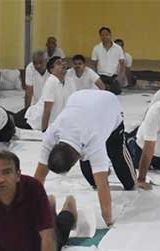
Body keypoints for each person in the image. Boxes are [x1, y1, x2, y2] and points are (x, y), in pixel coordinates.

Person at [34, 90, 137, 226]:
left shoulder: (94, 140)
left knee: (122, 166)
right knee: (92, 179)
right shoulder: (52, 133)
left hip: (109, 104)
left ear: (76, 160)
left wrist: (108, 220)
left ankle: (129, 152)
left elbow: (103, 185)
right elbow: (39, 176)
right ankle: (103, 168)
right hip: (80, 99)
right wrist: (31, 208)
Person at [21, 57, 76, 132]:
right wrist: (44, 131)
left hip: (54, 121)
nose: (63, 64)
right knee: (9, 121)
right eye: (58, 63)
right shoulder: (51, 82)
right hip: (34, 119)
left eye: (63, 62)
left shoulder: (70, 81)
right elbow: (47, 109)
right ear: (51, 70)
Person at [90, 27, 126, 95]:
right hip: (101, 76)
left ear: (110, 35)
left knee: (116, 92)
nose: (104, 37)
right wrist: (96, 77)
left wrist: (119, 77)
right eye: (102, 35)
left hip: (113, 77)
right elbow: (93, 64)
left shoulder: (118, 48)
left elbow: (122, 64)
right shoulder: (96, 48)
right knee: (99, 92)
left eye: (106, 34)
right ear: (100, 36)